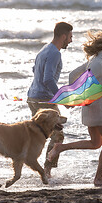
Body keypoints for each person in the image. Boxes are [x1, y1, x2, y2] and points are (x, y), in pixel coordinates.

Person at [47, 30, 102, 186]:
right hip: (99, 110)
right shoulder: (98, 63)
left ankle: (60, 147)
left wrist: (80, 96)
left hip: (90, 110)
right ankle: (99, 178)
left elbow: (73, 75)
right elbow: (85, 85)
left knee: (96, 143)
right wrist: (99, 89)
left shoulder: (95, 60)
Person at [27, 22, 73, 178]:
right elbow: (48, 79)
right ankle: (47, 171)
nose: (71, 41)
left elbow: (35, 71)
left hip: (32, 97)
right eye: (70, 37)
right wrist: (62, 98)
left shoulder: (44, 49)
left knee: (38, 134)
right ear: (63, 36)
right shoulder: (55, 53)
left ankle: (28, 161)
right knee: (57, 135)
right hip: (45, 99)